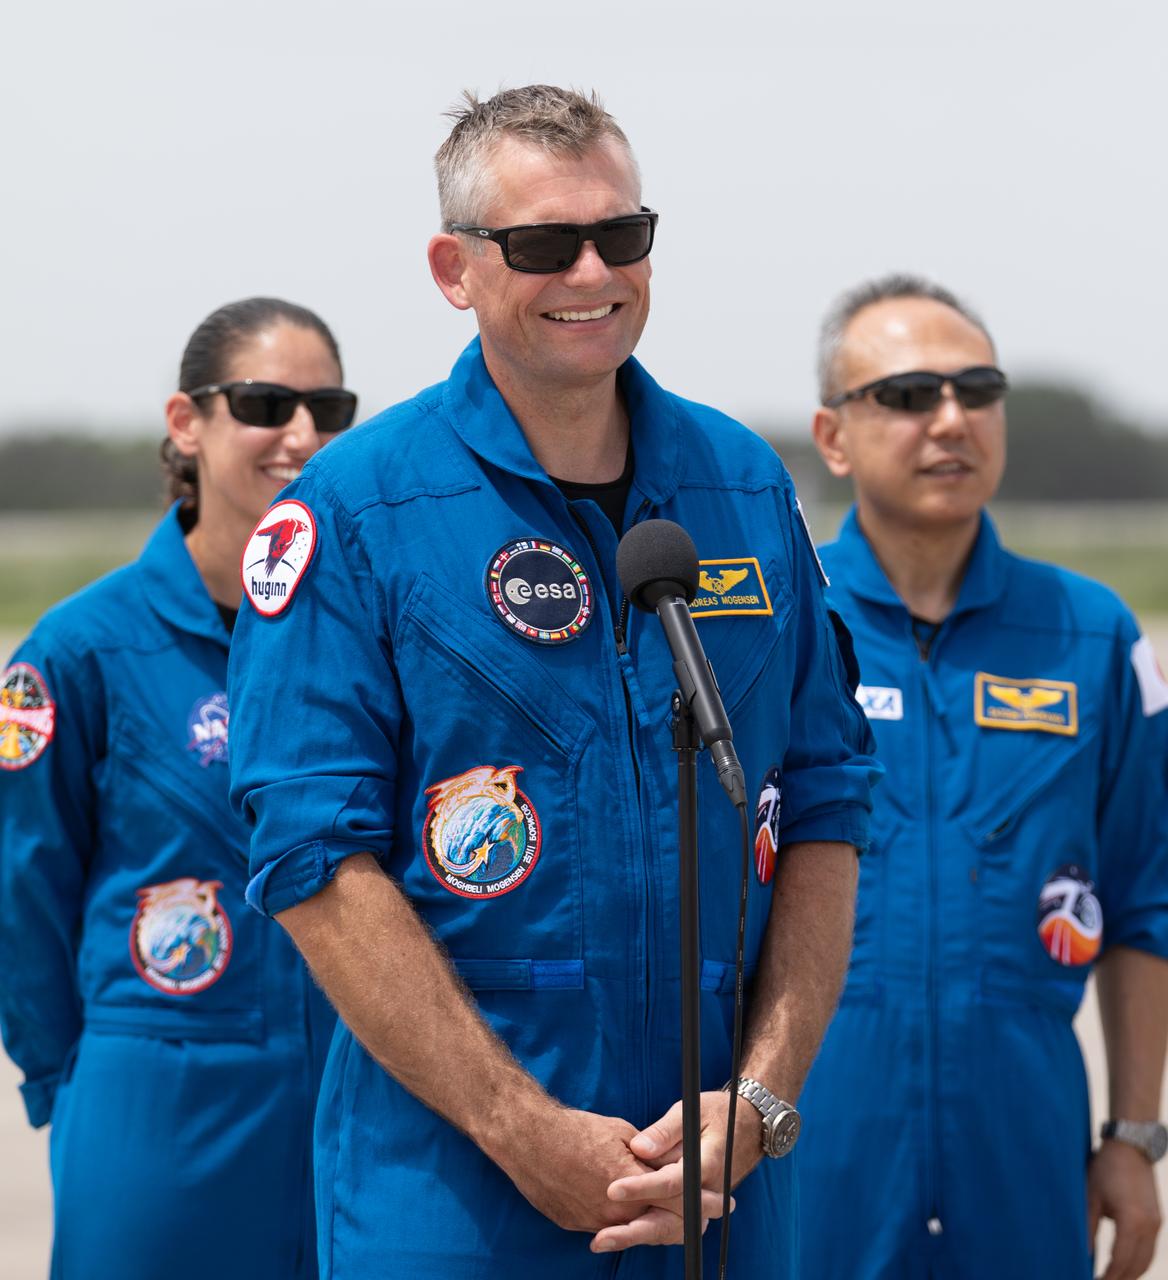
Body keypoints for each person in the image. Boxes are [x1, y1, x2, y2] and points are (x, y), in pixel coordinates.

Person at [226, 86, 880, 1278]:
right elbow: (315, 862)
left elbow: (826, 801)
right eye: (542, 244)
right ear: (453, 267)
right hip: (456, 1187)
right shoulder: (350, 514)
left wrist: (763, 1098)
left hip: (717, 1183)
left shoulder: (741, 483)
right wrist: (519, 1129)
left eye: (621, 235)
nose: (593, 269)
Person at [799, 274, 1168, 1279]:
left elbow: (1144, 901)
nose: (951, 418)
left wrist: (1134, 1135)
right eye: (909, 395)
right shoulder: (775, 629)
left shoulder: (1090, 635)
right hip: (807, 1148)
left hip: (1022, 1149)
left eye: (976, 389)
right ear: (833, 436)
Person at [0, 297, 351, 1279]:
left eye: (328, 406)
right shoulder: (80, 650)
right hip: (157, 1101)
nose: (302, 433)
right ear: (185, 423)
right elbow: (22, 887)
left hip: (352, 1095)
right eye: (265, 401)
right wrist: (67, 1080)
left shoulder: (362, 637)